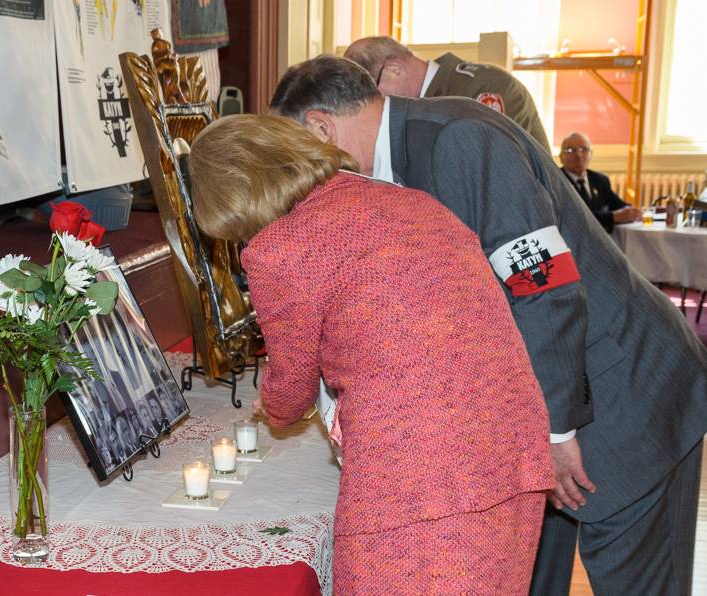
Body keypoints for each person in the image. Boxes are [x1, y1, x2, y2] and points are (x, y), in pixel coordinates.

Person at [268, 55, 707, 596]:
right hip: (547, 397)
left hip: (623, 391)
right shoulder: (409, 150)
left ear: (320, 128)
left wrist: (555, 432)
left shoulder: (458, 139)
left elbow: (546, 286)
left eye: (298, 154)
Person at [189, 113, 554, 594]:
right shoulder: (408, 200)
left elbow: (292, 387)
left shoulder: (280, 247)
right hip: (513, 445)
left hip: (424, 473)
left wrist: (271, 405)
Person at [345, 36, 550, 150]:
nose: (379, 105)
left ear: (394, 70)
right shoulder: (419, 106)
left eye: (375, 94)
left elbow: (492, 173)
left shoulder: (484, 87)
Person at [559, 132, 640, 233]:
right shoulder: (557, 181)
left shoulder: (600, 179)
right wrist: (613, 217)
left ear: (591, 154)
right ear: (561, 157)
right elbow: (577, 217)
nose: (578, 155)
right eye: (570, 150)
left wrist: (631, 211)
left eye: (584, 149)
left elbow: (617, 204)